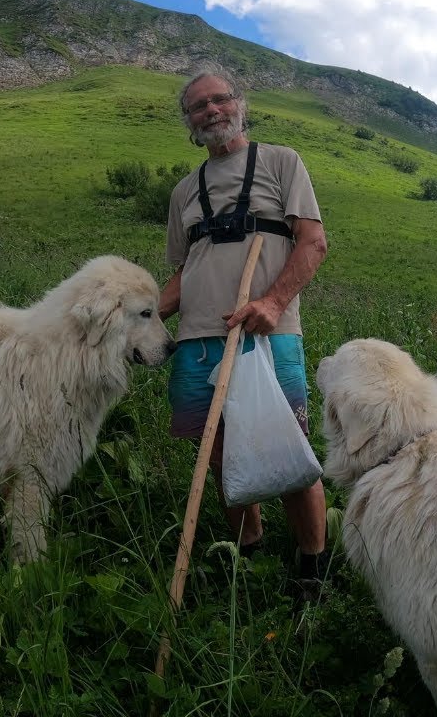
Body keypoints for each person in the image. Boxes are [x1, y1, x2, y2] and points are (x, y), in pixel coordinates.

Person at [159, 68, 330, 596]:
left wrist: (274, 303)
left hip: (266, 333)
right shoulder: (183, 192)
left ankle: (312, 567)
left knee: (289, 449)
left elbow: (313, 242)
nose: (211, 110)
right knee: (221, 453)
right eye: (198, 106)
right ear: (188, 122)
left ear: (240, 103)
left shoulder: (282, 162)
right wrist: (136, 322)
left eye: (219, 99)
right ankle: (247, 557)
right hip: (198, 341)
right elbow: (182, 273)